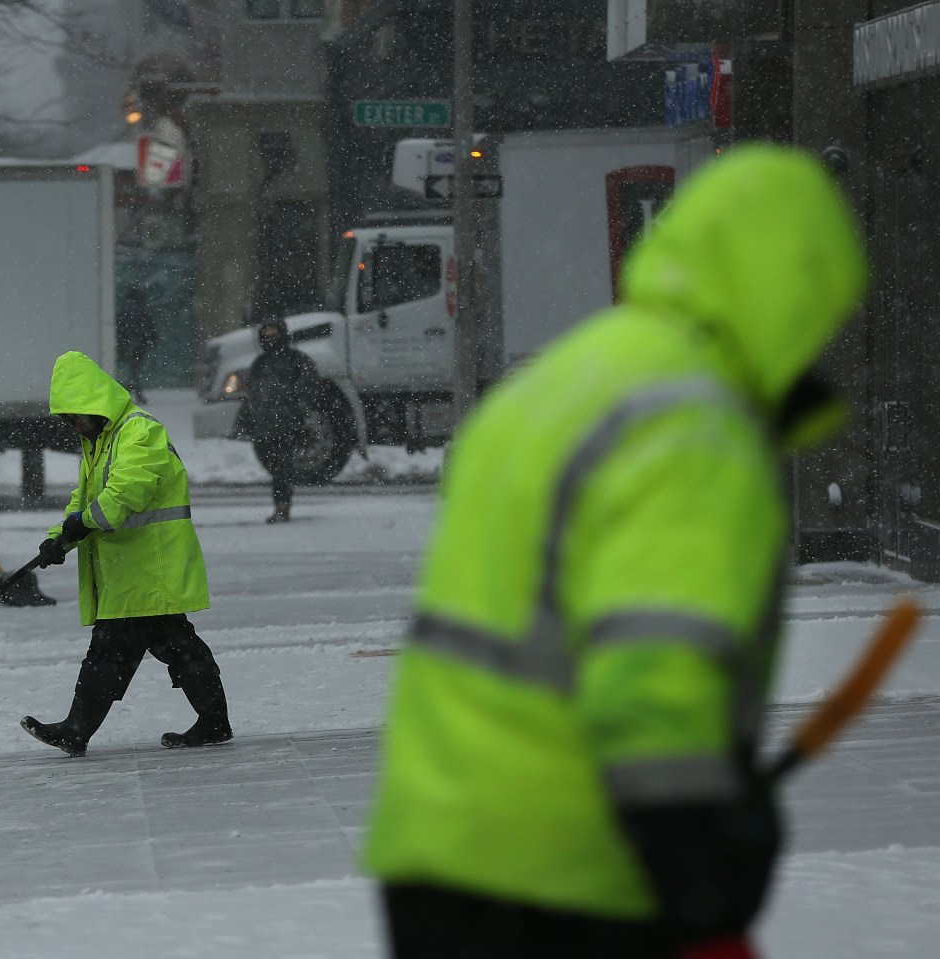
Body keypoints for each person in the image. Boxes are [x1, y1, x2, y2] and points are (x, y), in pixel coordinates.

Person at [363, 144, 869, 959]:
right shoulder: (693, 427)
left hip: (440, 851)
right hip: (574, 874)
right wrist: (700, 886)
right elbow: (653, 674)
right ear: (795, 292)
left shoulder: (561, 381)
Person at [21, 351, 231, 757]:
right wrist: (58, 538)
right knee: (173, 645)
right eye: (69, 421)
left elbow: (124, 494)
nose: (75, 427)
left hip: (150, 566)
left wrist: (83, 524)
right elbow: (83, 501)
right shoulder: (101, 442)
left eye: (77, 417)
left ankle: (77, 729)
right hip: (133, 571)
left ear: (95, 405)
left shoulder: (138, 431)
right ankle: (214, 721)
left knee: (115, 648)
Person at [242, 317, 323, 523]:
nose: (269, 338)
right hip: (264, 424)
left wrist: (294, 409)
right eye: (266, 333)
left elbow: (308, 386)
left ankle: (282, 506)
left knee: (281, 467)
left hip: (287, 424)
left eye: (273, 333)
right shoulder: (260, 363)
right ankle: (282, 503)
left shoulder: (296, 359)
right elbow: (252, 391)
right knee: (273, 465)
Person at [116, 289, 157, 403]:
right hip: (137, 346)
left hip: (127, 346)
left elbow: (119, 328)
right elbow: (149, 330)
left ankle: (128, 392)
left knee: (131, 372)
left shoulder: (125, 313)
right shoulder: (141, 314)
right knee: (134, 371)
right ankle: (135, 393)